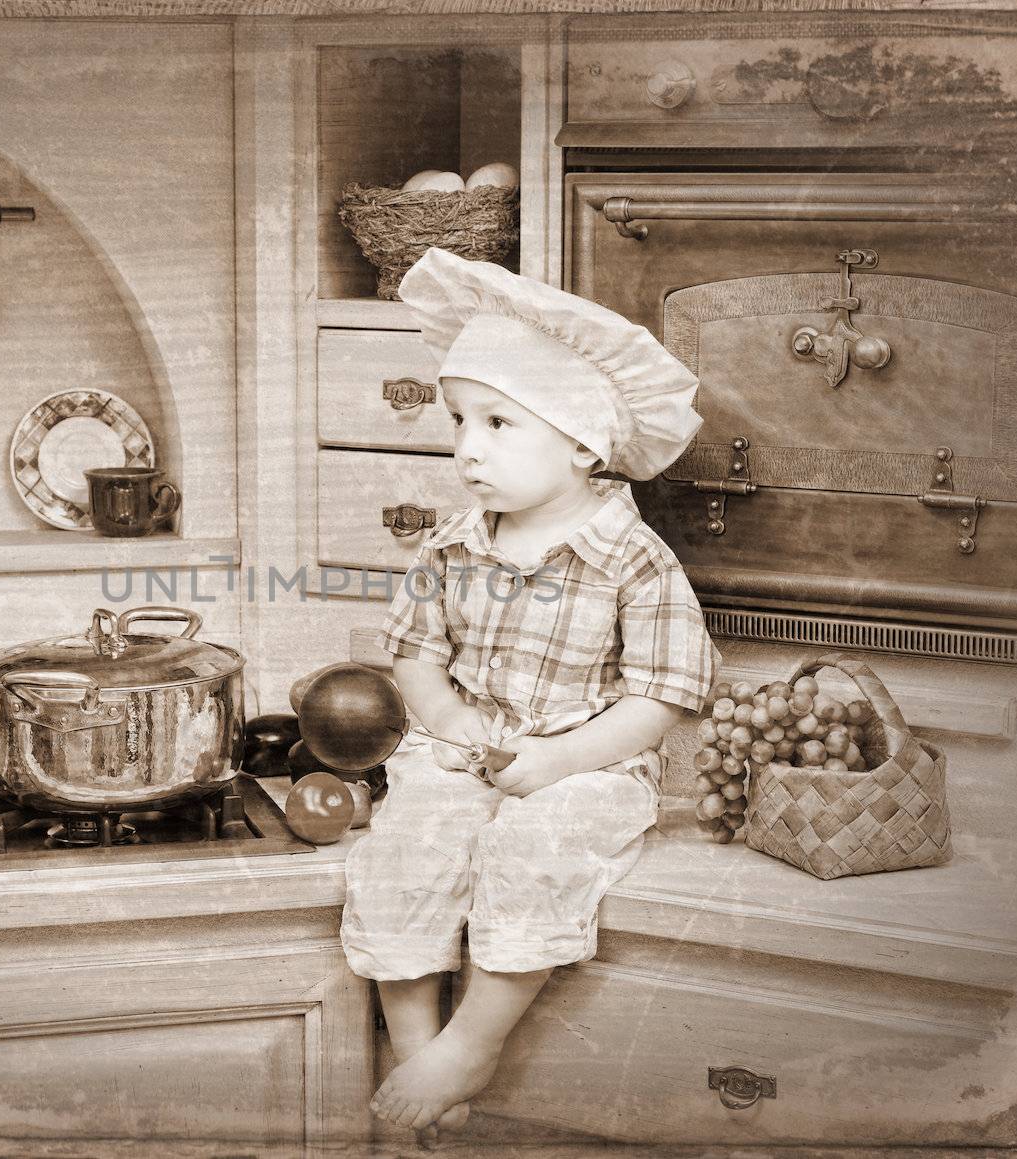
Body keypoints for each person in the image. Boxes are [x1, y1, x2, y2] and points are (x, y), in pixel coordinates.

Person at [339, 246, 720, 1144]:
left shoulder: (635, 560)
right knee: (411, 837)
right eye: (460, 420)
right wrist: (451, 722)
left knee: (540, 847)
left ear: (584, 444)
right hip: (471, 746)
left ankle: (475, 1039)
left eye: (500, 424)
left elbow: (660, 697)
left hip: (586, 758)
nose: (467, 447)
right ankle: (417, 1041)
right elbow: (419, 659)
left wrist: (557, 759)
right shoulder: (450, 544)